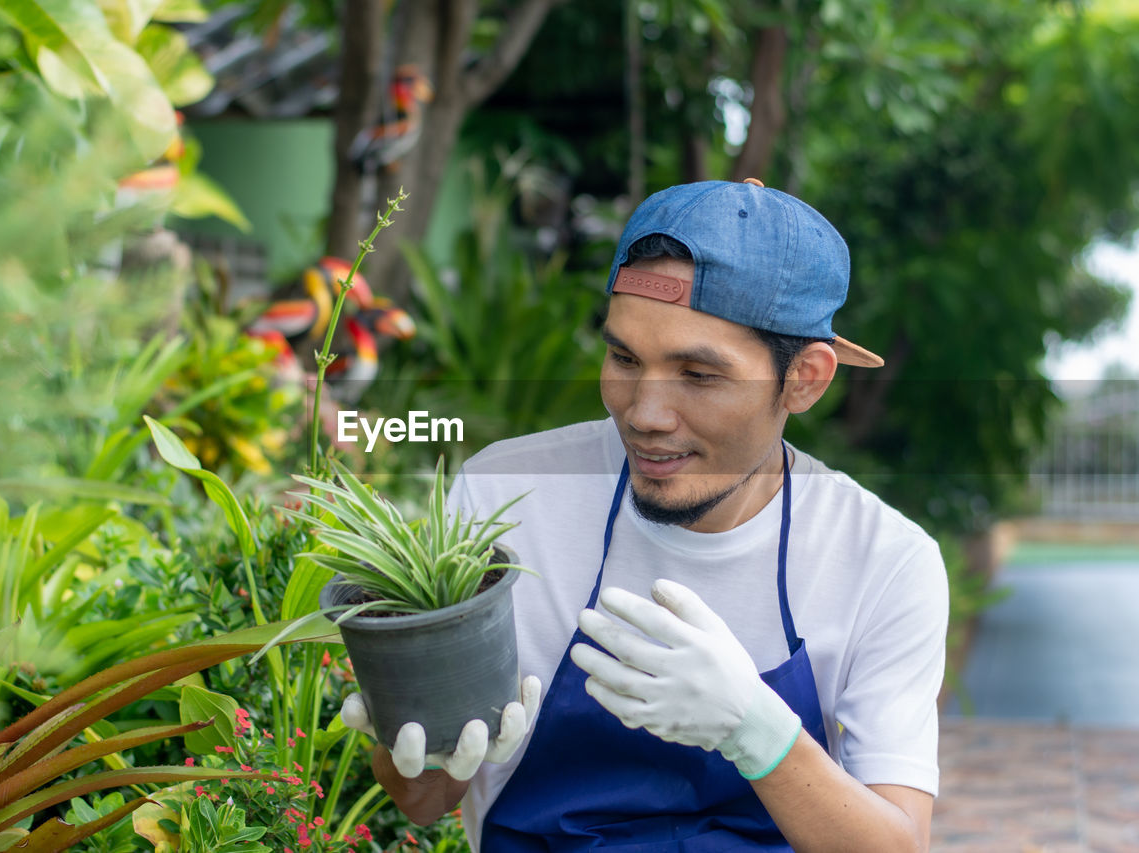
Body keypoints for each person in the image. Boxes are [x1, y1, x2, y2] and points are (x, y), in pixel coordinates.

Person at [341, 179, 948, 851]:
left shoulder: (883, 561)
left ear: (804, 377)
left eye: (699, 375)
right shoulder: (509, 497)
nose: (644, 415)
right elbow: (424, 800)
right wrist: (417, 745)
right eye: (624, 357)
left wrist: (757, 730)